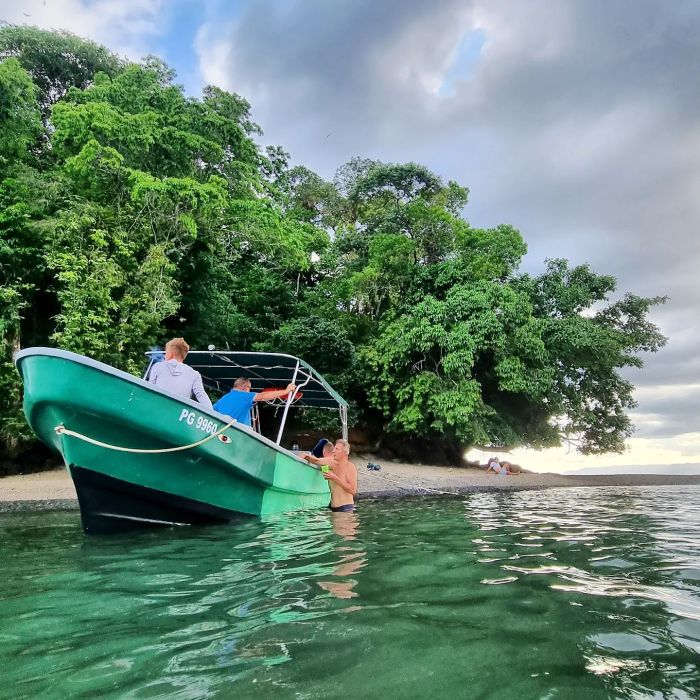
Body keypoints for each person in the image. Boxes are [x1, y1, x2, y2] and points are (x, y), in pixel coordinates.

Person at [148, 337, 212, 409]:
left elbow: (150, 389)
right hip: (179, 412)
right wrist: (212, 413)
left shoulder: (158, 366)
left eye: (166, 352)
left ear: (171, 353)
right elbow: (201, 395)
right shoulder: (195, 374)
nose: (165, 355)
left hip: (157, 407)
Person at [213, 376, 297, 428]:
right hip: (239, 434)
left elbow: (211, 409)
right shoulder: (245, 396)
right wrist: (286, 391)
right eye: (250, 389)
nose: (249, 391)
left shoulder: (223, 398)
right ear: (246, 387)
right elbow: (262, 396)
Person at [304, 438, 357, 512]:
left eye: (337, 449)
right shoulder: (332, 463)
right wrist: (306, 457)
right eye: (334, 448)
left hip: (345, 508)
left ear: (345, 453)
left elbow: (353, 490)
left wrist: (335, 478)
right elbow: (316, 461)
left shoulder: (350, 467)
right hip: (333, 508)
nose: (333, 451)